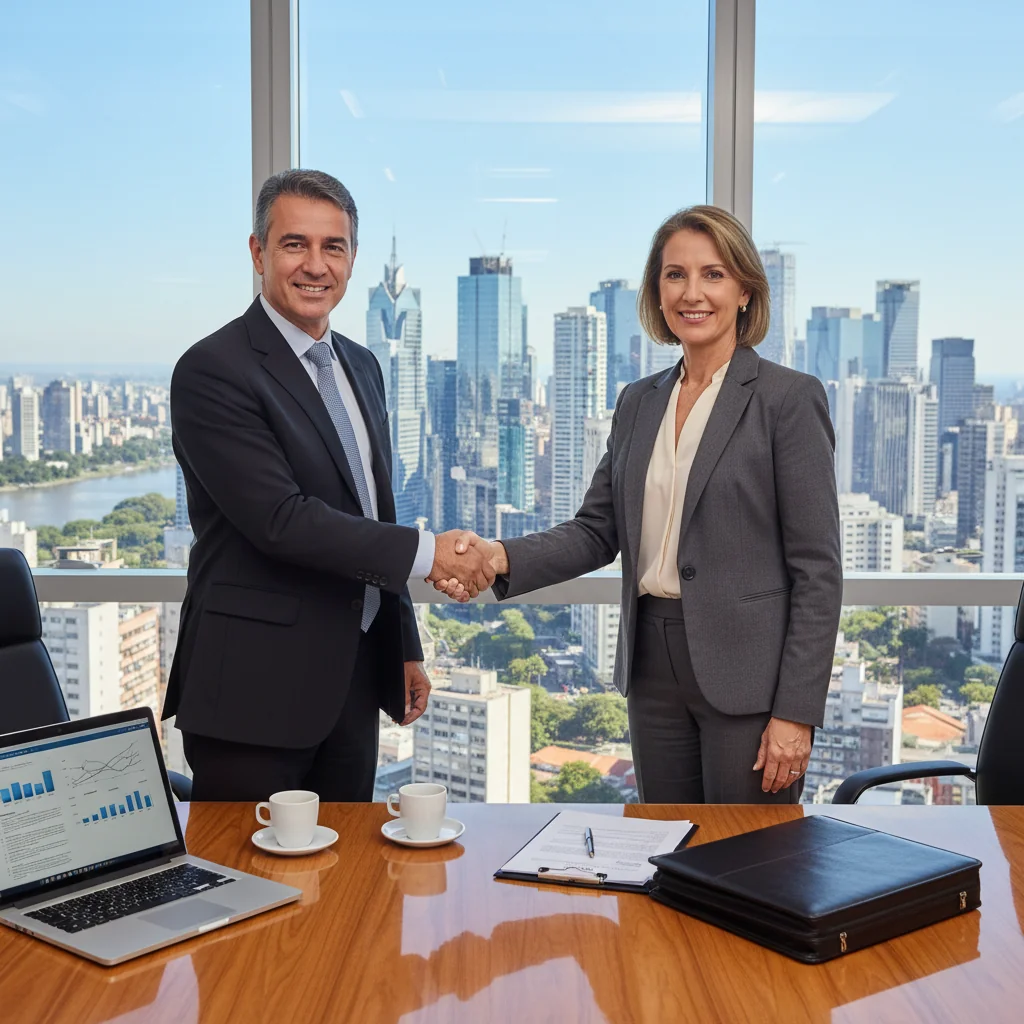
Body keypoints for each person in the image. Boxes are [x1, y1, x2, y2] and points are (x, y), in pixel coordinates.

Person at [434, 206, 842, 803]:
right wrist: (498, 556)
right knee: (667, 846)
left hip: (749, 675)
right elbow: (598, 530)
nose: (692, 293)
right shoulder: (638, 401)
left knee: (748, 861)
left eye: (714, 275)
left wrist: (797, 712)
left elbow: (818, 572)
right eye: (675, 275)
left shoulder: (788, 400)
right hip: (652, 664)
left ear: (746, 291)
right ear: (657, 290)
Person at [164, 169, 494, 801]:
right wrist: (430, 554)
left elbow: (372, 510)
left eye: (333, 247)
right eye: (295, 245)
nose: (315, 265)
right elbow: (282, 520)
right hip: (252, 696)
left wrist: (401, 643)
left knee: (347, 884)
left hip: (352, 682)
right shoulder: (212, 370)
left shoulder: (362, 366)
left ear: (351, 260)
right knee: (251, 887)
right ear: (259, 253)